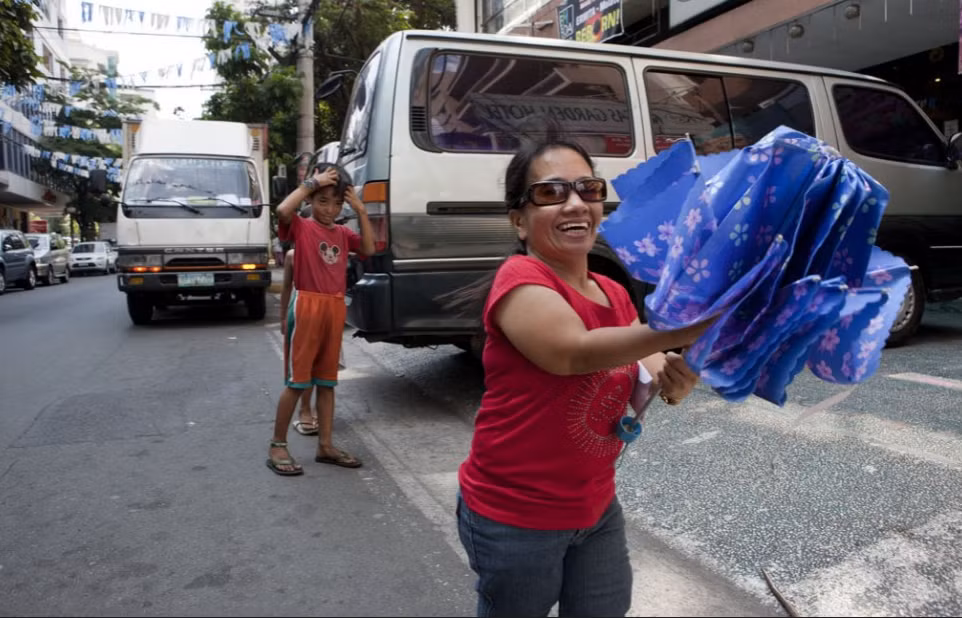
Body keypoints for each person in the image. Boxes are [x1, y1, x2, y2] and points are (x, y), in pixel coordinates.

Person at [454, 137, 713, 616]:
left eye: (588, 189)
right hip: (514, 515)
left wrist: (678, 377)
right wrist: (690, 327)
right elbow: (572, 354)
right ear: (519, 220)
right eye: (551, 193)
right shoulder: (520, 280)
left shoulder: (613, 290)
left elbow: (649, 362)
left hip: (594, 505)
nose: (575, 203)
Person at [266, 163, 376, 476]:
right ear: (311, 200)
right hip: (307, 307)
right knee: (297, 382)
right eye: (322, 201)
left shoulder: (342, 233)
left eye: (337, 203)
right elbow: (282, 210)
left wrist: (361, 211)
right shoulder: (302, 226)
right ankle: (277, 445)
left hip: (334, 308)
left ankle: (325, 445)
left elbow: (368, 249)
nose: (329, 209)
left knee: (327, 383)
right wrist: (311, 182)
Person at [279, 246, 319, 437]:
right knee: (304, 365)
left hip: (328, 311)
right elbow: (287, 287)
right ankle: (305, 409)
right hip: (303, 311)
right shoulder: (293, 255)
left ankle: (319, 410)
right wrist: (282, 317)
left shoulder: (334, 248)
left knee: (324, 366)